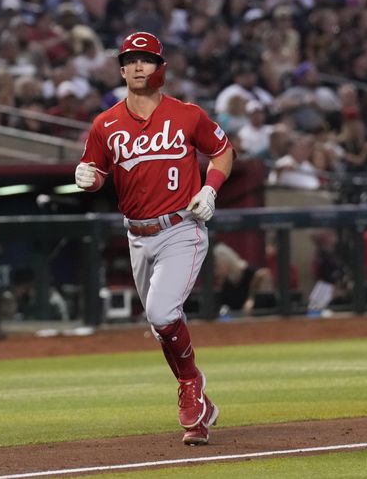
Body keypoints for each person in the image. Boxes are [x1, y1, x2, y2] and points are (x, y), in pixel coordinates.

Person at [75, 32, 235, 446]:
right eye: (131, 59)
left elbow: (222, 151)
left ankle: (189, 384)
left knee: (163, 314)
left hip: (182, 226)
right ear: (122, 68)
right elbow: (96, 174)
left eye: (146, 58)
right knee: (160, 324)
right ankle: (200, 408)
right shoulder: (104, 123)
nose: (138, 65)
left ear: (159, 66)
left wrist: (210, 188)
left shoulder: (187, 114)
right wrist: (88, 179)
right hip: (137, 235)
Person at [212, 242, 273, 317]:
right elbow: (224, 308)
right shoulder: (226, 282)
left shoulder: (249, 272)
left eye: (217, 266)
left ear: (226, 261)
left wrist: (251, 299)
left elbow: (265, 274)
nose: (216, 271)